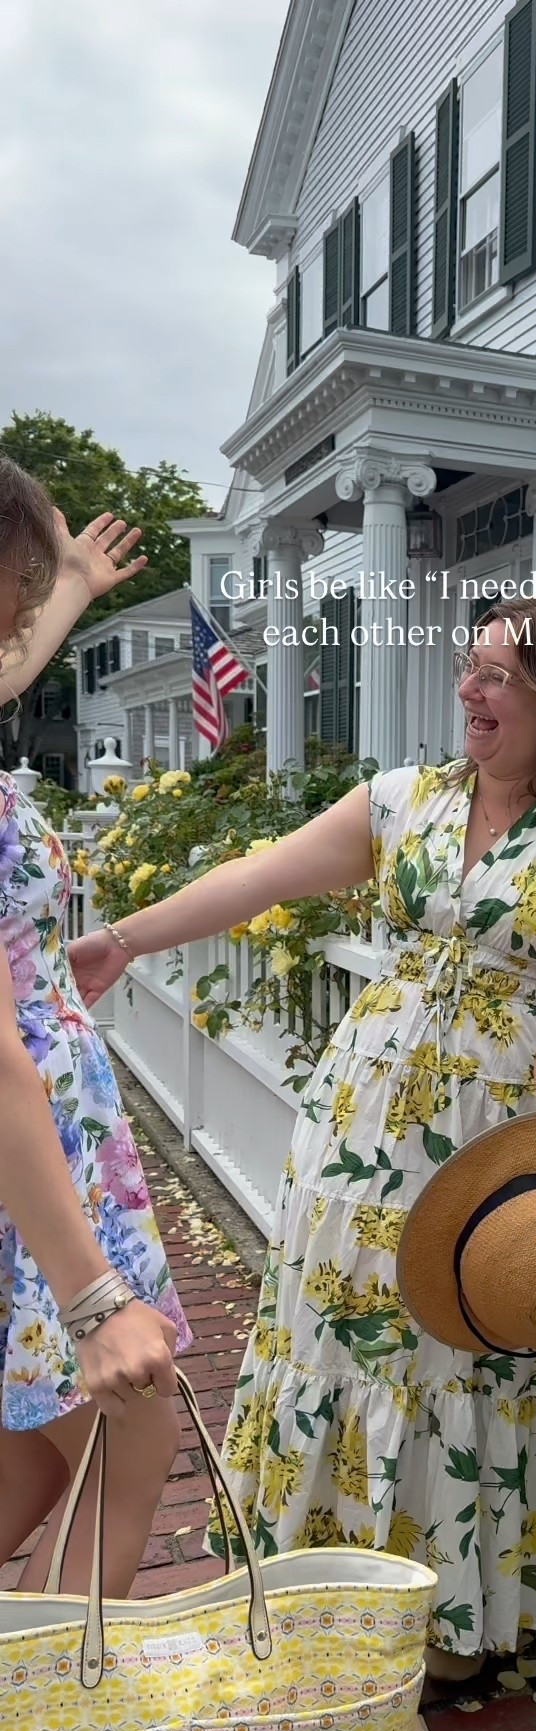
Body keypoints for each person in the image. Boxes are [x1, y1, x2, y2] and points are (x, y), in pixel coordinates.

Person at [71, 595, 536, 1731]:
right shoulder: (406, 803)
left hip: (488, 1140)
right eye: (470, 667)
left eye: (499, 675)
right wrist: (126, 938)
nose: (471, 690)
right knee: (344, 1347)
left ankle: (437, 1631)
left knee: (455, 1358)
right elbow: (260, 877)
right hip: (363, 1126)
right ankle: (333, 1612)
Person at [0, 458, 186, 1600]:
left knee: (28, 1461)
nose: (22, 610)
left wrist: (72, 583)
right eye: (17, 580)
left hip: (48, 1137)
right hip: (27, 1162)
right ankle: (44, 1707)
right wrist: (93, 1298)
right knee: (130, 1430)